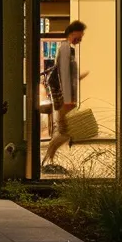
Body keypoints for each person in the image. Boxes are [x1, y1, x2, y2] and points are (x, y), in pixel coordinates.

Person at [41, 20, 88, 174]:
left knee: (62, 130)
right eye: (79, 35)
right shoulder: (66, 48)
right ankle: (47, 160)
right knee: (64, 131)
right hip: (63, 96)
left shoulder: (66, 48)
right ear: (72, 32)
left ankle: (48, 160)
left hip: (62, 94)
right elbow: (63, 75)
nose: (80, 39)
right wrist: (68, 99)